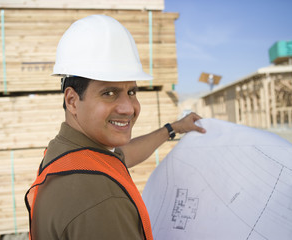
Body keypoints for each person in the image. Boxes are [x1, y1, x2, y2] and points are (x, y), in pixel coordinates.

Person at [25, 15, 206, 240]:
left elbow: (121, 156)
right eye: (108, 93)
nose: (128, 108)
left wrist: (173, 128)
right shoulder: (102, 200)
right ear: (72, 101)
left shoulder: (69, 154)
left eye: (131, 92)